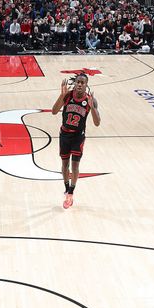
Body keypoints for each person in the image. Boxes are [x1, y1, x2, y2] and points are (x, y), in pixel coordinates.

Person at [51, 73, 101, 209]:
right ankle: (66, 187)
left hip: (78, 136)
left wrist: (93, 108)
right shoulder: (67, 95)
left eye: (82, 83)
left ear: (86, 85)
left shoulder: (91, 100)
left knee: (75, 166)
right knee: (64, 164)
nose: (79, 84)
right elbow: (54, 111)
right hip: (65, 135)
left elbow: (97, 123)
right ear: (75, 83)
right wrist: (61, 96)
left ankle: (71, 193)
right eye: (78, 82)